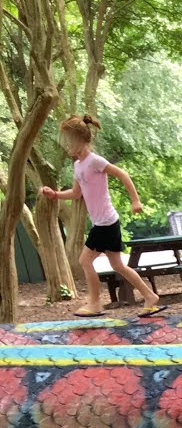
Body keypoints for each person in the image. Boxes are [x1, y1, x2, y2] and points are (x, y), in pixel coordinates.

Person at [41, 113, 164, 320]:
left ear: (81, 140)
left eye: (69, 140)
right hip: (105, 222)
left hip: (106, 222)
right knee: (118, 265)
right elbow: (76, 193)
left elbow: (122, 174)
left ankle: (95, 303)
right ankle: (150, 296)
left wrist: (135, 201)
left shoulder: (95, 161)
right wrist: (55, 195)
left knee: (85, 260)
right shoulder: (78, 166)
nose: (66, 145)